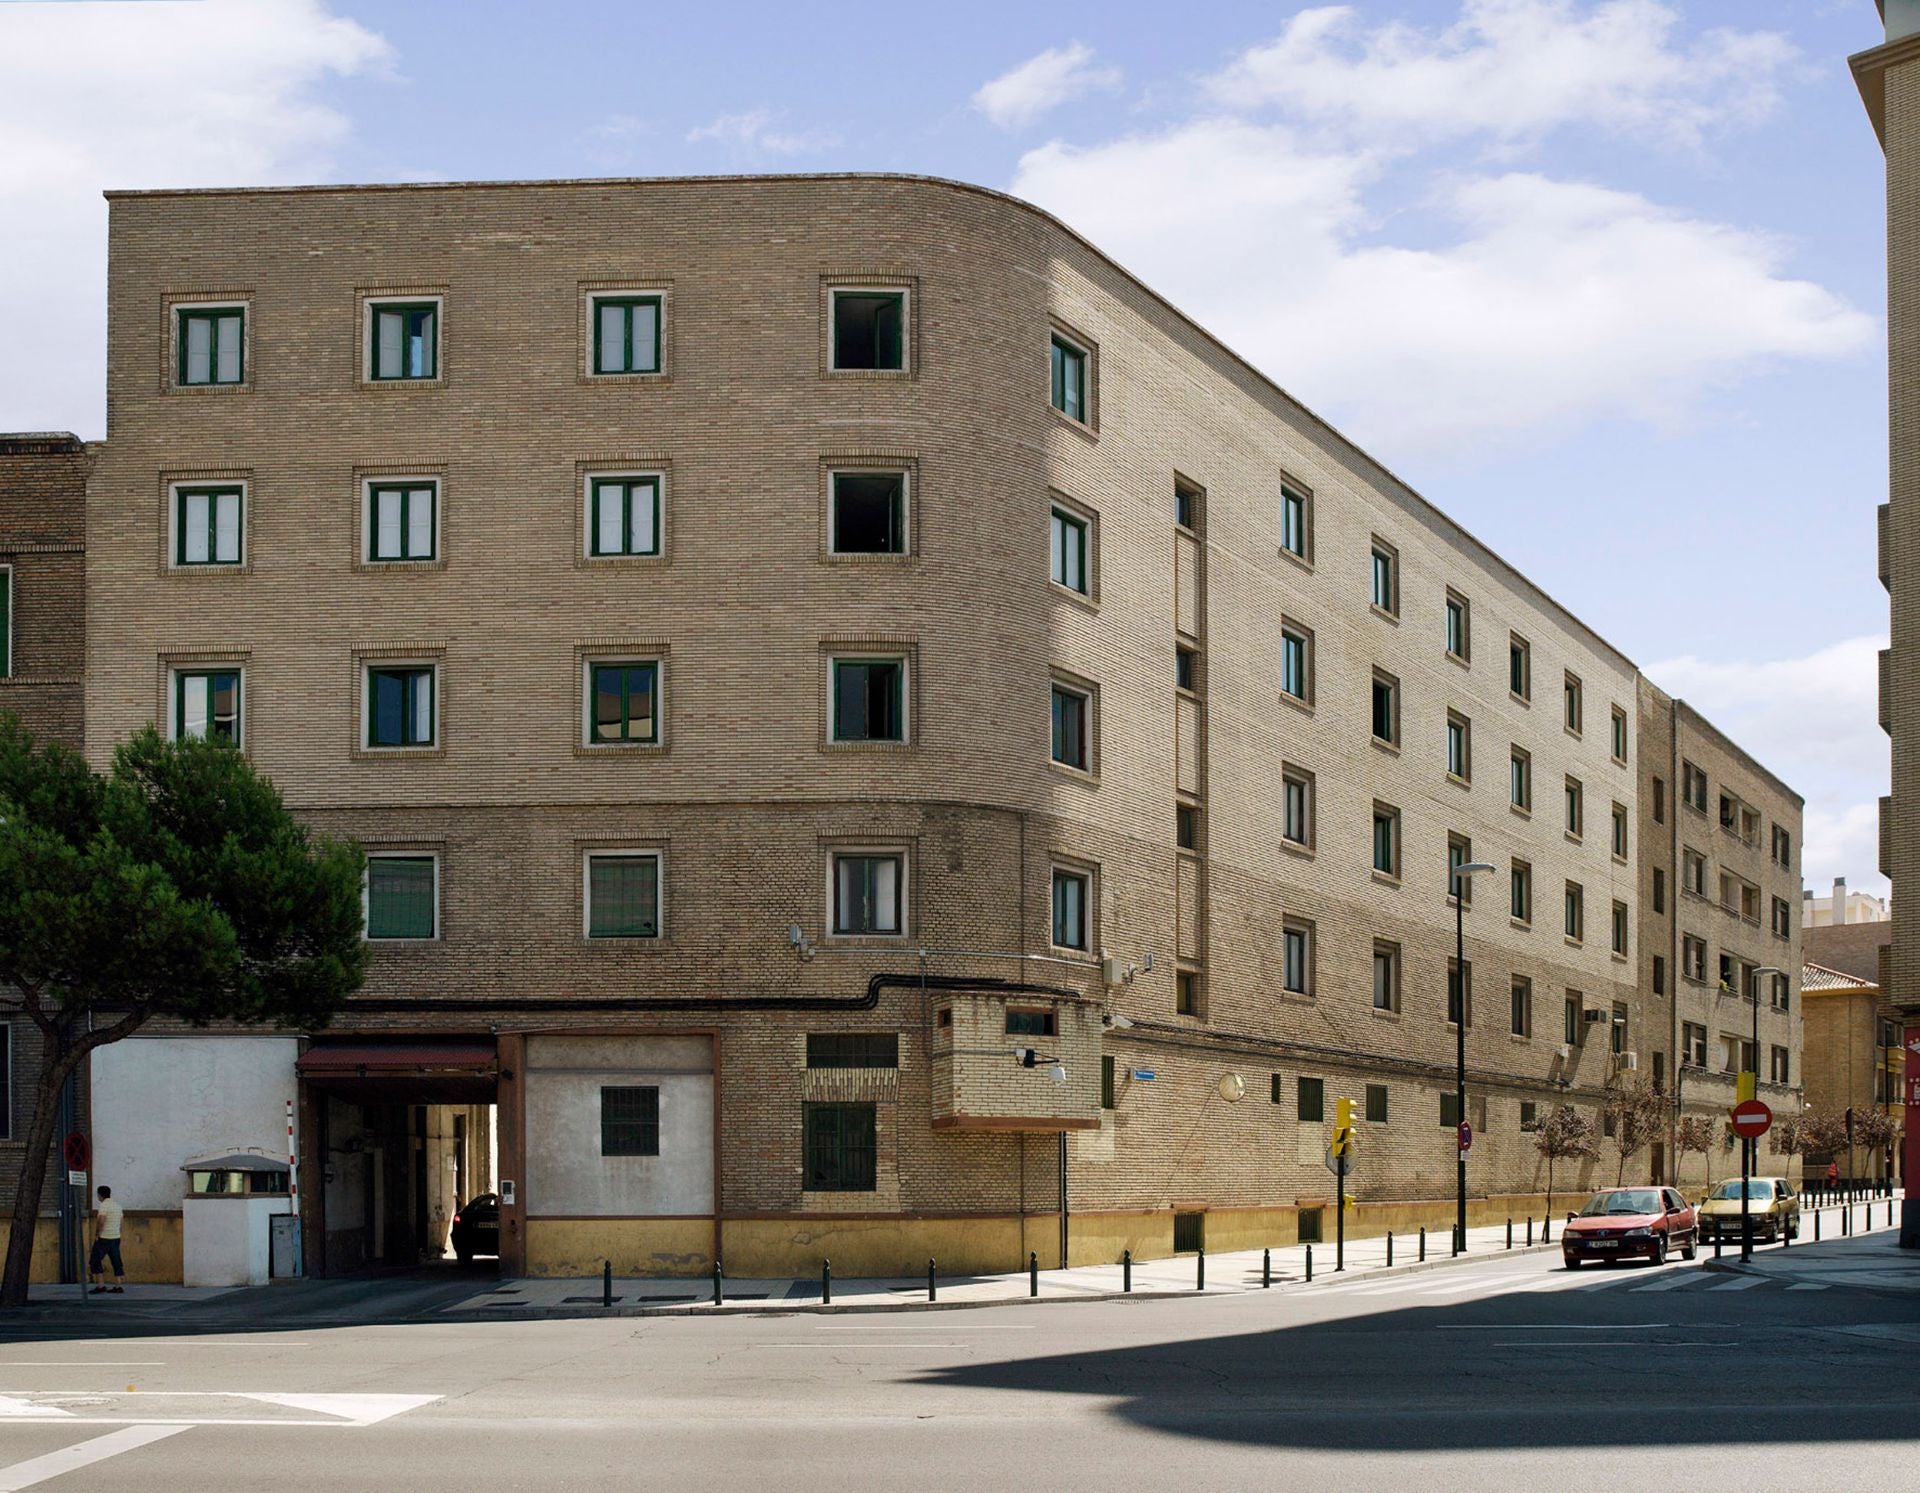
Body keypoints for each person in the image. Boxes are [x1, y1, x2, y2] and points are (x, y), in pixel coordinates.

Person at [89, 1184, 124, 1294]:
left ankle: (101, 1285)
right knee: (116, 1260)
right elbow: (121, 1221)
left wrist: (97, 1234)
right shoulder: (117, 1206)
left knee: (95, 1260)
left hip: (104, 1238)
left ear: (100, 1195)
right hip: (116, 1237)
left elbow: (101, 1220)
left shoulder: (104, 1206)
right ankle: (118, 1285)